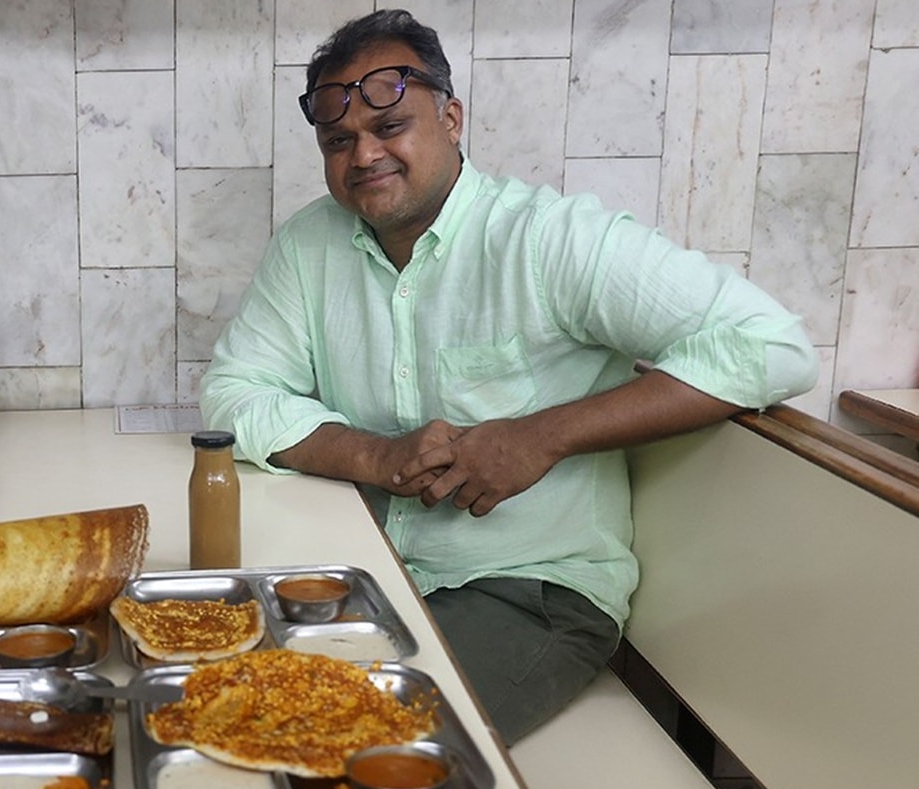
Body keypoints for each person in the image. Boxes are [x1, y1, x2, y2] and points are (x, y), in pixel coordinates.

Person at [200, 10, 816, 743]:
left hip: (531, 593)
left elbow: (773, 345)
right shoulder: (310, 246)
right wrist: (375, 456)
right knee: (212, 694)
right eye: (340, 142)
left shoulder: (549, 238)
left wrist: (541, 436)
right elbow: (234, 396)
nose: (363, 155)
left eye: (390, 127)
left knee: (355, 745)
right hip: (368, 576)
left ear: (451, 118)